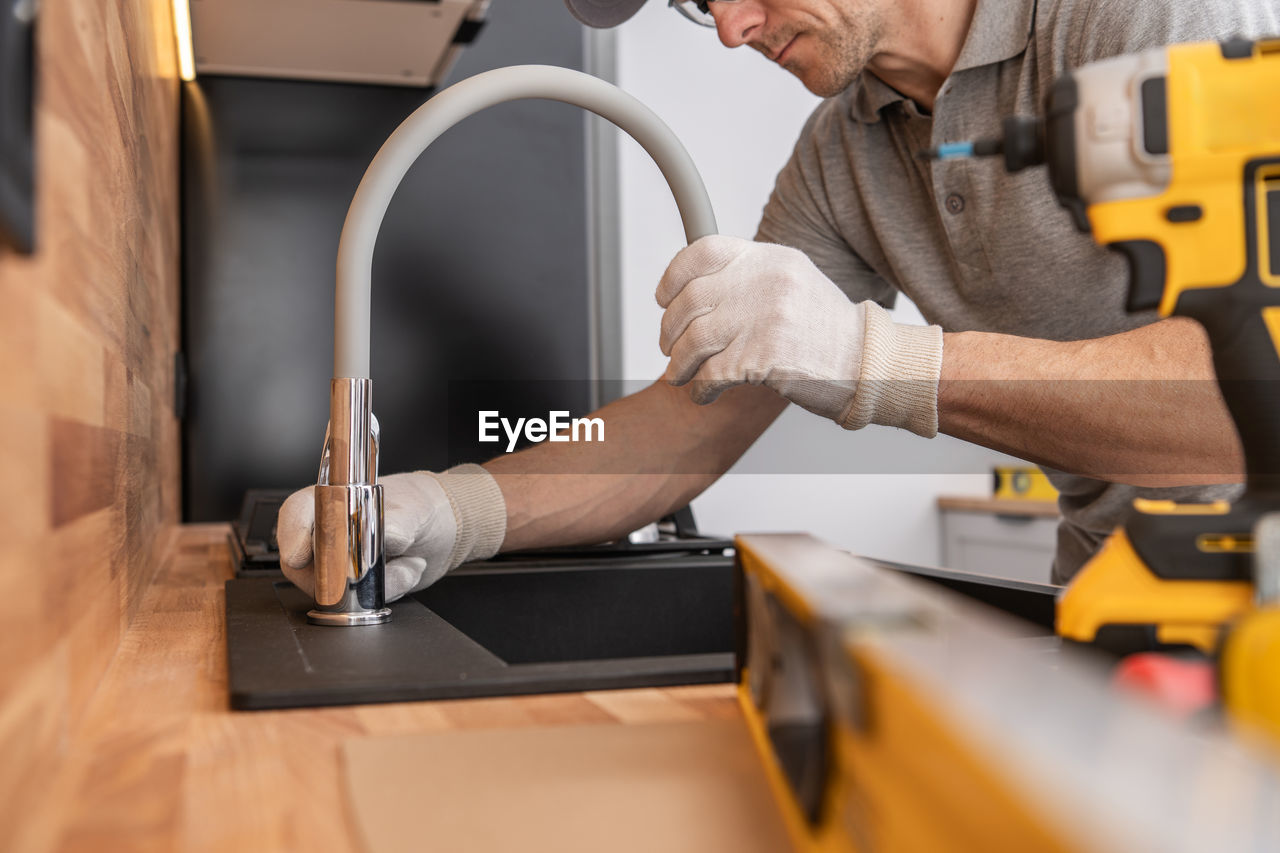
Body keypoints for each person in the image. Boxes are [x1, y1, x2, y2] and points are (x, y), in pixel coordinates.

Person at [278, 0, 1279, 599]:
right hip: (1111, 597)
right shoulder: (846, 152)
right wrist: (452, 509)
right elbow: (686, 425)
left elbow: (1254, 404)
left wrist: (869, 361)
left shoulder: (1137, 18)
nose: (727, 28)